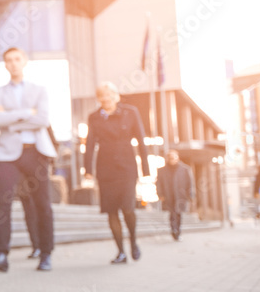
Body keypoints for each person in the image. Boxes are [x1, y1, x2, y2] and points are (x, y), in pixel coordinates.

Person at [0, 47, 57, 272]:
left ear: (24, 61)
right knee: (3, 204)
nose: (13, 63)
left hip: (35, 152)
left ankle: (45, 253)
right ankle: (0, 255)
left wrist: (12, 122)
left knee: (42, 203)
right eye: (9, 60)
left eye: (17, 59)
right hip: (7, 154)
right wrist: (26, 113)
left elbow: (43, 119)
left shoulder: (39, 90)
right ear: (5, 64)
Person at [83, 82, 150, 263]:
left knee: (128, 208)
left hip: (127, 166)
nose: (105, 98)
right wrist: (88, 170)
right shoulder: (94, 117)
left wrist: (146, 169)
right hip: (105, 168)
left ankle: (134, 242)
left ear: (116, 95)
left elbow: (141, 140)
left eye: (109, 94)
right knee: (111, 211)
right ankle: (121, 251)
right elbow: (89, 144)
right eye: (101, 95)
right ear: (98, 99)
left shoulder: (130, 112)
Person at [156, 149, 194, 241]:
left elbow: (190, 183)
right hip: (168, 196)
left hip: (180, 196)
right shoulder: (162, 170)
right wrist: (160, 194)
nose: (171, 159)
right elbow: (158, 183)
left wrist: (190, 195)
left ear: (177, 158)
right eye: (170, 157)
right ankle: (174, 230)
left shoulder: (185, 169)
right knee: (172, 214)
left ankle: (178, 231)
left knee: (178, 213)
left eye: (173, 157)